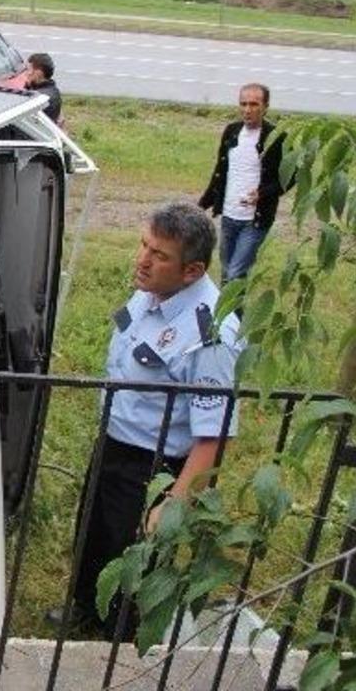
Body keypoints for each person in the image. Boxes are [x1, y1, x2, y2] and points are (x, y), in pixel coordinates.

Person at [50, 202, 241, 636]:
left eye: (159, 255)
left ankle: (116, 640)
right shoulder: (153, 290)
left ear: (191, 271)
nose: (143, 260)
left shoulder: (210, 334)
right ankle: (86, 609)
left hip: (153, 467)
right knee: (95, 536)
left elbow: (213, 435)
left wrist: (176, 501)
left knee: (132, 560)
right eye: (143, 245)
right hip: (115, 443)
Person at [198, 83, 287, 282]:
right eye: (243, 104)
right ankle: (230, 314)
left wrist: (262, 193)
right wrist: (201, 205)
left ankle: (228, 313)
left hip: (254, 221)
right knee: (226, 272)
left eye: (254, 104)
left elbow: (290, 177)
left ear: (265, 107)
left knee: (235, 273)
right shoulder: (231, 131)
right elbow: (220, 173)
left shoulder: (276, 137)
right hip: (229, 216)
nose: (247, 110)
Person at [25, 52, 62, 123]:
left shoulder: (38, 98)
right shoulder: (54, 90)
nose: (27, 73)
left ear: (39, 72)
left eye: (29, 69)